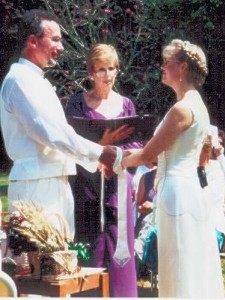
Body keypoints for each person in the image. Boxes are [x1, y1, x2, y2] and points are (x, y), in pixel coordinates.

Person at [0, 9, 117, 241]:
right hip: (36, 185)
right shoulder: (20, 80)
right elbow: (51, 134)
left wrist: (93, 159)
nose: (61, 47)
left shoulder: (34, 80)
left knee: (58, 258)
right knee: (40, 264)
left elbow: (59, 135)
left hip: (52, 180)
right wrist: (99, 153)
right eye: (55, 39)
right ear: (32, 41)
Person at [122, 39, 225, 298]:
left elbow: (148, 154)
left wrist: (114, 158)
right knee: (185, 263)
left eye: (166, 63)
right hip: (186, 189)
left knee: (178, 265)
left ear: (182, 68)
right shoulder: (196, 105)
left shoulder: (182, 109)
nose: (162, 67)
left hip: (177, 193)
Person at [66, 43, 140, 297]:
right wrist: (99, 149)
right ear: (90, 73)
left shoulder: (127, 105)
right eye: (100, 70)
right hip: (88, 193)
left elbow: (135, 146)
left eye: (111, 69)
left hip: (117, 193)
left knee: (121, 260)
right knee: (92, 255)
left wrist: (116, 159)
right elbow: (69, 145)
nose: (107, 75)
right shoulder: (77, 104)